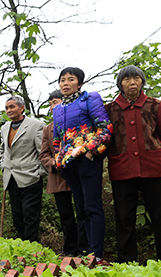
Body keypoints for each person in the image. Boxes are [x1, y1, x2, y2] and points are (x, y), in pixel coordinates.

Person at [105, 65, 161, 263]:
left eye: (136, 78)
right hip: (121, 169)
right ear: (120, 84)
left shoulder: (155, 105)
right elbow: (107, 139)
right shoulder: (110, 109)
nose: (132, 82)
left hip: (152, 168)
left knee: (160, 215)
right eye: (127, 79)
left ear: (142, 82)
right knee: (124, 218)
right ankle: (126, 261)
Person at [53, 67, 113, 265]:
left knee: (92, 206)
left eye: (71, 79)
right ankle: (87, 253)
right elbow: (57, 138)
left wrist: (90, 152)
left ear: (79, 83)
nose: (66, 83)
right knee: (81, 209)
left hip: (88, 160)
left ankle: (97, 254)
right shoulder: (57, 109)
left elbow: (105, 128)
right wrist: (58, 159)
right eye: (62, 80)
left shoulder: (90, 99)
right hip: (69, 165)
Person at [40, 90, 88, 255]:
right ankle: (69, 250)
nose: (54, 106)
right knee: (66, 216)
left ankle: (84, 248)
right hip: (58, 177)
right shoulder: (48, 129)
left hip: (79, 174)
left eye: (57, 102)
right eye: (51, 103)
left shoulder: (79, 123)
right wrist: (54, 162)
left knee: (83, 211)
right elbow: (43, 154)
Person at [1, 96, 47, 242]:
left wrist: (40, 173)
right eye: (7, 108)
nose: (9, 110)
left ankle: (33, 246)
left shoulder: (36, 125)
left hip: (30, 176)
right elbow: (5, 151)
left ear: (22, 108)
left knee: (30, 214)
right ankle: (23, 245)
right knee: (17, 215)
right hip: (11, 177)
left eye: (12, 107)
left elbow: (42, 151)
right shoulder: (4, 128)